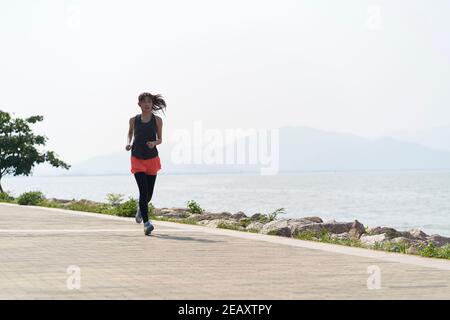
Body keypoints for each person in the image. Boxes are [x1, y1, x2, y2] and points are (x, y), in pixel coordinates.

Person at [126, 92, 166, 235]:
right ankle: (147, 223)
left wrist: (153, 143)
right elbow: (130, 133)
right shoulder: (133, 120)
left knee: (148, 195)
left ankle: (140, 209)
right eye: (144, 102)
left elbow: (160, 139)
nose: (147, 104)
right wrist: (128, 144)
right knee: (143, 191)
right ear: (139, 104)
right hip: (137, 158)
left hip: (152, 159)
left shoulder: (157, 120)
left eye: (149, 102)